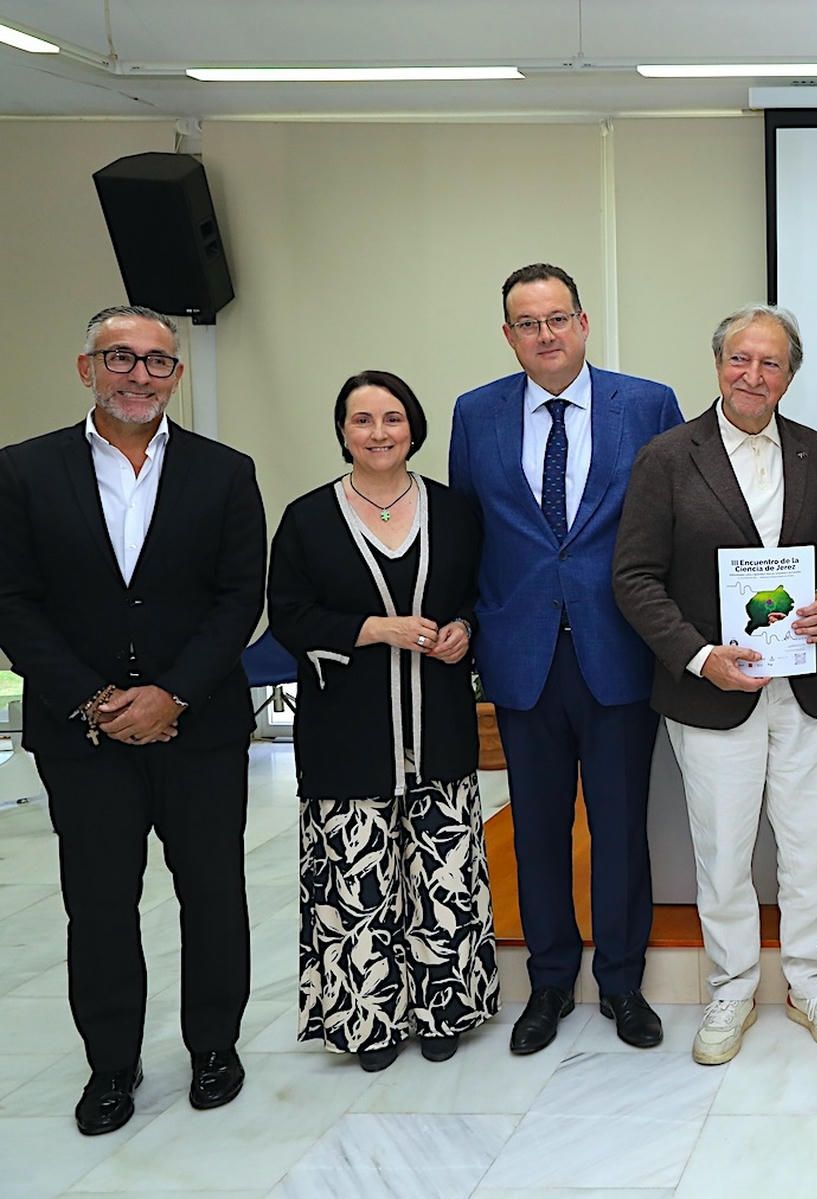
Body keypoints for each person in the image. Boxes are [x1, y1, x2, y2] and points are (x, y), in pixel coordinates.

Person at [0, 306, 264, 1134]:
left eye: (157, 362)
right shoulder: (23, 472)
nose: (139, 375)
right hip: (83, 735)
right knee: (101, 902)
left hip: (201, 728)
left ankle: (214, 1046)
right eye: (121, 357)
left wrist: (173, 693)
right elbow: (11, 600)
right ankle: (112, 1064)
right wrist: (92, 698)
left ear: (176, 376)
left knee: (214, 893)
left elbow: (237, 598)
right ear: (87, 369)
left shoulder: (225, 472)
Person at [613, 304, 817, 1065]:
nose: (754, 375)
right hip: (709, 690)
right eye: (740, 360)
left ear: (791, 374)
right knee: (723, 850)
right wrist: (698, 656)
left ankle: (812, 981)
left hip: (801, 688)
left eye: (772, 363)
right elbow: (634, 577)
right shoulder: (666, 456)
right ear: (718, 364)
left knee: (812, 843)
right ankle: (731, 988)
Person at [448, 264, 682, 1053]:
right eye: (526, 322)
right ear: (507, 334)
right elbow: (464, 533)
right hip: (521, 656)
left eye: (557, 318)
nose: (544, 334)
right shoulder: (475, 414)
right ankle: (548, 983)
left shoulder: (645, 404)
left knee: (620, 828)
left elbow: (675, 527)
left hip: (619, 650)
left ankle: (621, 983)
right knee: (537, 829)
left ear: (583, 322)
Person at [269, 371, 499, 1072]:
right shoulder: (308, 518)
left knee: (443, 872)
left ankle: (444, 1008)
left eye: (392, 418)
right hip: (347, 731)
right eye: (362, 419)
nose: (378, 432)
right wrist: (372, 628)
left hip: (441, 729)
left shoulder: (457, 512)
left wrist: (465, 629)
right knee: (356, 881)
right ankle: (368, 1018)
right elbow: (288, 617)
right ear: (342, 430)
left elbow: (481, 597)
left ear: (413, 426)